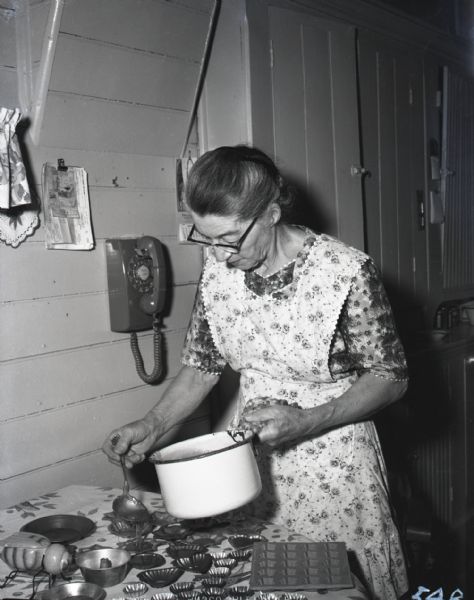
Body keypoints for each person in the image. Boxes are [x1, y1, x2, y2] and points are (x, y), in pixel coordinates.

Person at [103, 145, 409, 599]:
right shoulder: (218, 268)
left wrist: (308, 420)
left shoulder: (345, 272)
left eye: (229, 239)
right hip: (249, 464)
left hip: (334, 462)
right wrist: (153, 425)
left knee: (333, 587)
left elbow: (391, 377)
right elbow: (202, 366)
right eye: (205, 239)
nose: (219, 256)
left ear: (270, 212)